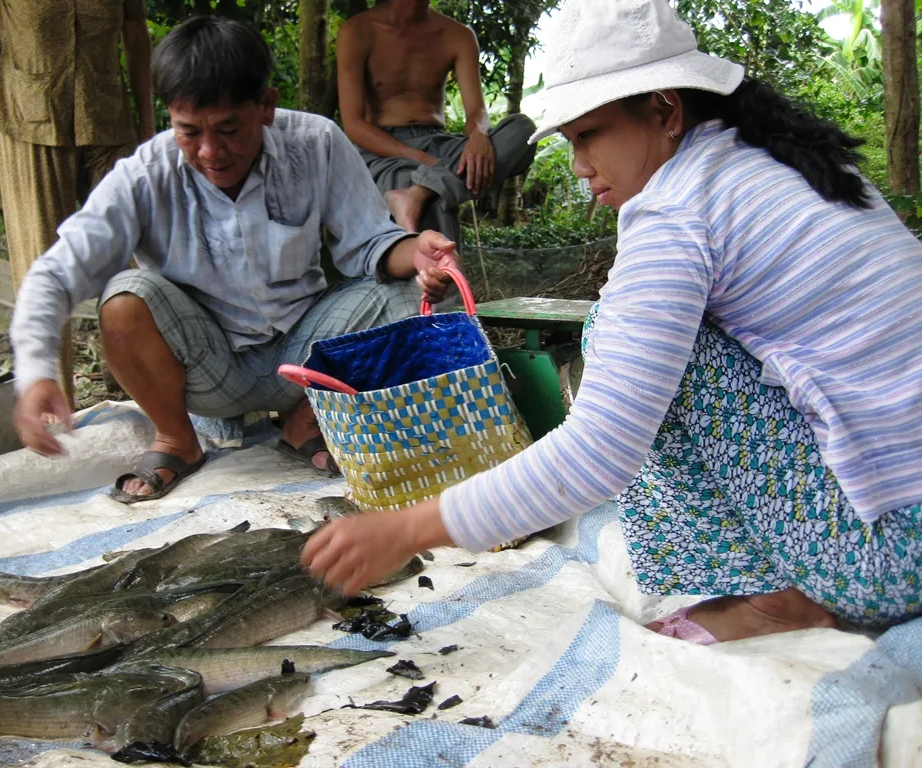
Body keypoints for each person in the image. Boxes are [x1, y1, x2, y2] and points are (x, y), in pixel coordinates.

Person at [302, 0, 922, 644]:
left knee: (616, 333)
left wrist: (406, 528)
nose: (579, 165)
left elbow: (601, 449)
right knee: (645, 335)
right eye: (570, 141)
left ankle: (775, 600)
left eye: (589, 135)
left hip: (889, 555)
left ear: (664, 109)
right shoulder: (775, 159)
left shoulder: (675, 211)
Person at [8, 17, 457, 503]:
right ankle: (176, 438)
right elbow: (55, 274)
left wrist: (418, 252)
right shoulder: (144, 176)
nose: (210, 152)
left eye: (228, 129)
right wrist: (35, 373)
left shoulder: (317, 143)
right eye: (188, 131)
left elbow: (372, 243)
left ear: (266, 105)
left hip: (307, 357)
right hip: (207, 368)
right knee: (124, 300)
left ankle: (305, 421)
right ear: (170, 117)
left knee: (407, 297)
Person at [0, 0, 155, 408]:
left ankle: (150, 395)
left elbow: (136, 32)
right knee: (40, 259)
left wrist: (147, 116)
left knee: (135, 259)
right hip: (29, 114)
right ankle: (53, 407)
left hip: (107, 112)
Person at [337, 0, 537, 246]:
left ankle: (419, 192)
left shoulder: (458, 35)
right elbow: (354, 125)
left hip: (440, 144)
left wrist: (479, 134)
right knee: (428, 199)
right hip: (384, 150)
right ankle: (427, 198)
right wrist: (422, 159)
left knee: (523, 130)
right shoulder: (357, 31)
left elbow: (476, 111)